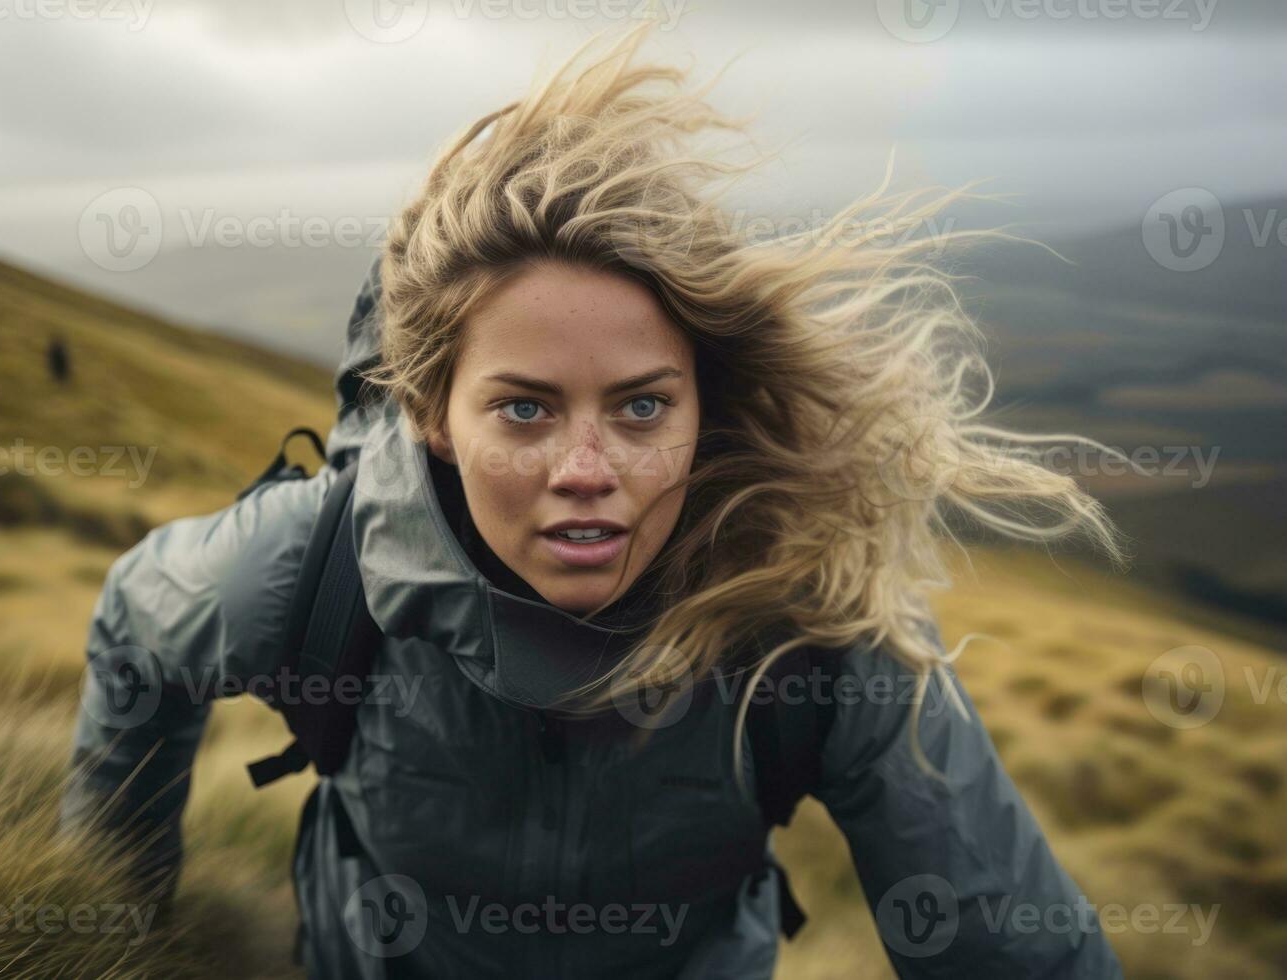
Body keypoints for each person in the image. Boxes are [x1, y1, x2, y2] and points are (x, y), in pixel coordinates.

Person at [59, 21, 1127, 979]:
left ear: (701, 405)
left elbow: (1012, 947)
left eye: (640, 407)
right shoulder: (308, 573)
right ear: (431, 411)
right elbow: (135, 627)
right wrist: (127, 924)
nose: (586, 467)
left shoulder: (813, 626)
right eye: (523, 410)